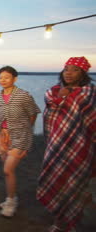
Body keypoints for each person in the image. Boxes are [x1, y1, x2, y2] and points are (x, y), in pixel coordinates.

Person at [37, 56, 95, 232]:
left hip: (80, 146)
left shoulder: (88, 93)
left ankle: (71, 223)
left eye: (75, 69)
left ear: (83, 73)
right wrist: (60, 98)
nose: (69, 73)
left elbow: (91, 119)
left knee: (75, 184)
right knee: (58, 180)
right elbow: (50, 114)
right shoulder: (53, 91)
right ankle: (59, 221)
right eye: (66, 69)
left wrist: (66, 98)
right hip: (56, 145)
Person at [0, 66, 41, 217]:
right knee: (8, 172)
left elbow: (32, 114)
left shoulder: (24, 96)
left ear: (14, 79)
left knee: (7, 170)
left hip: (20, 136)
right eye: (0, 77)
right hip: (2, 137)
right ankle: (11, 196)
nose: (3, 80)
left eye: (7, 77)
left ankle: (11, 202)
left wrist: (26, 131)